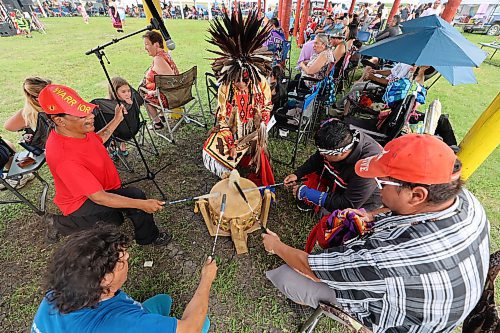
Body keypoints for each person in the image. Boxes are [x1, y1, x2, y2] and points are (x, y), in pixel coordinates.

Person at [264, 134, 490, 332]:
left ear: (416, 195)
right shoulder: (465, 201)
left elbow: (311, 267)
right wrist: (371, 215)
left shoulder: (386, 259)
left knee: (287, 276)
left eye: (382, 183)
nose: (377, 188)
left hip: (405, 325)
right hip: (438, 306)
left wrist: (276, 246)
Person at [37, 84, 172, 246]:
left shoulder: (74, 131)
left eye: (87, 110)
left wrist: (117, 119)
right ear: (59, 120)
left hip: (98, 186)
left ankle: (139, 231)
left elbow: (97, 140)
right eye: (82, 116)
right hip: (81, 200)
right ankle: (59, 224)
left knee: (118, 214)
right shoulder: (64, 157)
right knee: (127, 206)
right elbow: (99, 197)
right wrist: (142, 205)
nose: (91, 116)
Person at [32, 225, 216, 333]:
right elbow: (190, 328)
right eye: (123, 259)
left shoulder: (59, 290)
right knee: (202, 323)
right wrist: (206, 280)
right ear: (105, 279)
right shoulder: (119, 323)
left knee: (163, 301)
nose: (128, 259)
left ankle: (152, 316)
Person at [203, 8, 274, 186]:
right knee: (218, 147)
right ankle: (231, 172)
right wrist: (230, 141)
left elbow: (266, 106)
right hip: (234, 128)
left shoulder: (261, 83)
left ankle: (259, 175)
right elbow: (223, 117)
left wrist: (260, 123)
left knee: (259, 149)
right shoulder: (226, 87)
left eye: (244, 80)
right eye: (236, 81)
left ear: (250, 75)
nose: (240, 85)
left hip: (254, 128)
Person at [284, 119, 381, 213]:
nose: (322, 155)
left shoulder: (367, 168)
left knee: (331, 218)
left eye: (325, 154)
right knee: (313, 179)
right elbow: (317, 158)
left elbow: (347, 204)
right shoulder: (342, 139)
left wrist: (307, 193)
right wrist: (298, 174)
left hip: (362, 201)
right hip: (340, 183)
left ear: (343, 153)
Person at [139, 30, 180, 130]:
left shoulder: (158, 59)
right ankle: (161, 116)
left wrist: (151, 91)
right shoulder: (165, 55)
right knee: (145, 90)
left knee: (144, 97)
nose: (145, 48)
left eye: (147, 44)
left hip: (171, 98)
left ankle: (157, 123)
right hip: (178, 93)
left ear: (156, 44)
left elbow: (170, 81)